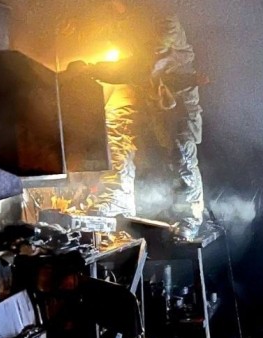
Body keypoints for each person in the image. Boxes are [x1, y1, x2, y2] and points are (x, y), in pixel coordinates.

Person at [67, 15, 210, 238]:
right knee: (117, 127)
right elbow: (135, 66)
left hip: (176, 97)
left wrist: (94, 69)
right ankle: (117, 198)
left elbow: (143, 67)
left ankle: (188, 217)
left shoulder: (164, 22)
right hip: (144, 86)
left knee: (181, 152)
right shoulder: (129, 20)